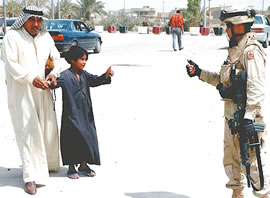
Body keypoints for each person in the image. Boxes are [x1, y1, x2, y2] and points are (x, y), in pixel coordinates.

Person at [186, 7, 270, 198]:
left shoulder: (250, 51)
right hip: (232, 119)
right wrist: (200, 74)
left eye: (228, 27)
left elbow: (256, 89)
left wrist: (248, 119)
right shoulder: (235, 50)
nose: (226, 31)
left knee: (255, 169)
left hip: (246, 120)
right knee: (232, 165)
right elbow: (224, 81)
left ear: (239, 26)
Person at [1, 6, 62, 195]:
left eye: (39, 20)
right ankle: (30, 177)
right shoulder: (12, 37)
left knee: (46, 130)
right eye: (32, 20)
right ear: (24, 19)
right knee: (27, 133)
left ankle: (47, 167)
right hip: (22, 93)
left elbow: (57, 58)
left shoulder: (45, 36)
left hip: (43, 90)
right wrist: (31, 78)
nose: (36, 24)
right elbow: (11, 64)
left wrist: (53, 73)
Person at [51, 46, 114, 179]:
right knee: (72, 138)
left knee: (87, 137)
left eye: (85, 60)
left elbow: (96, 80)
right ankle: (72, 166)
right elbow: (54, 83)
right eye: (82, 59)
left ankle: (84, 165)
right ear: (73, 60)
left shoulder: (85, 75)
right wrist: (50, 78)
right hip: (71, 114)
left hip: (86, 113)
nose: (84, 62)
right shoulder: (65, 75)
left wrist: (105, 76)